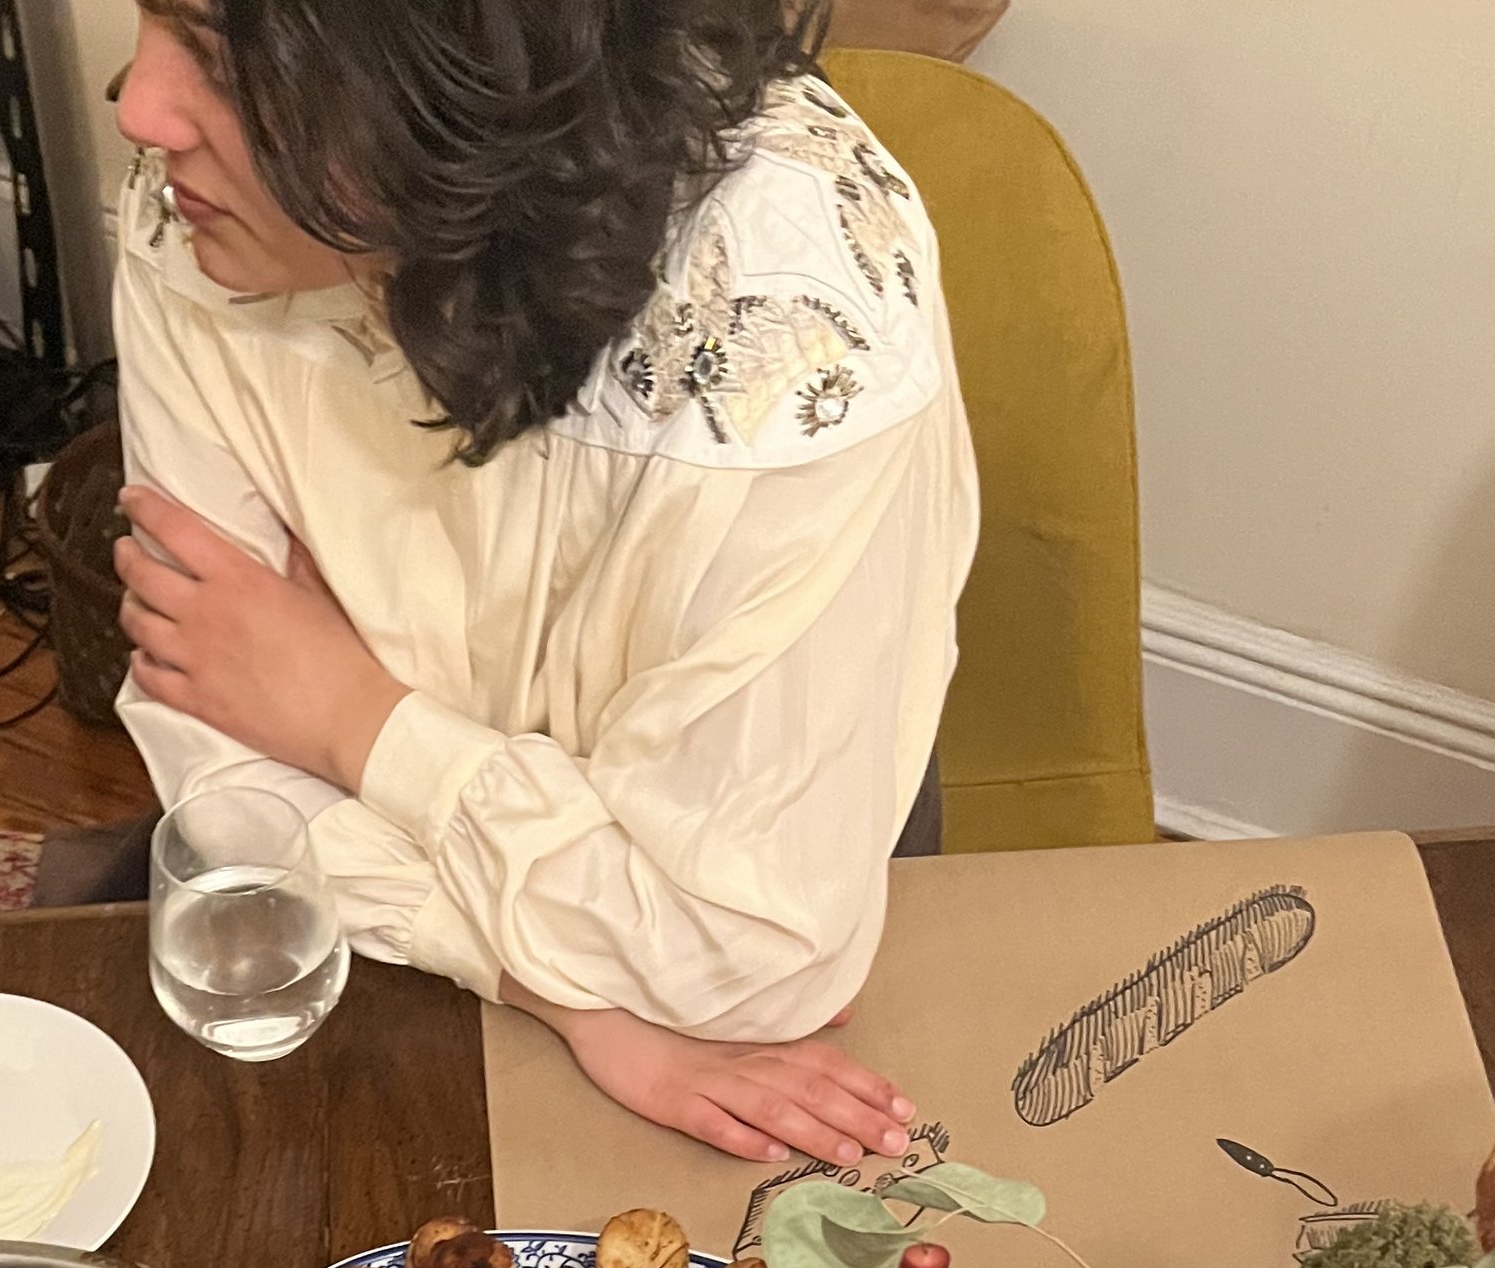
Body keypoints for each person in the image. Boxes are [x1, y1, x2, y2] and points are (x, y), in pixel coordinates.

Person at [109, 0, 977, 1168]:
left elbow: (747, 959)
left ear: (465, 64)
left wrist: (347, 716)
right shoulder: (196, 210)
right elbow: (216, 746)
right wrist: (570, 998)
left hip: (754, 883)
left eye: (223, 57)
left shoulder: (789, 339)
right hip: (444, 961)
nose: (138, 108)